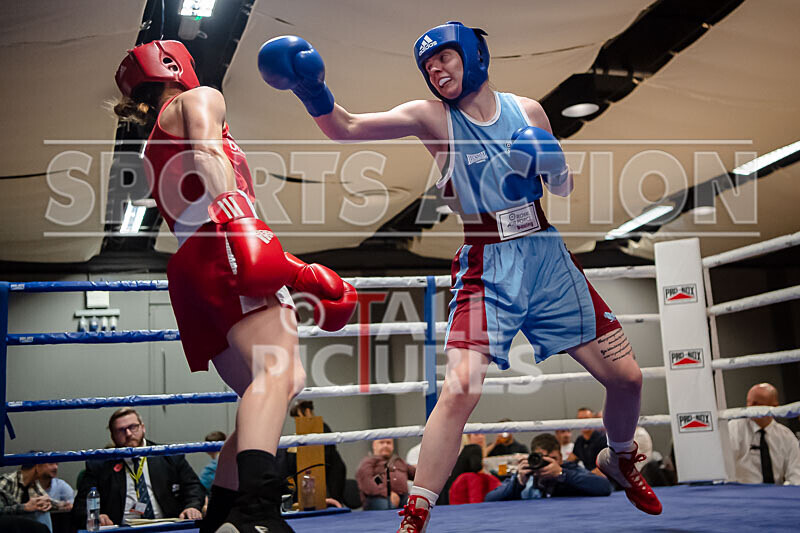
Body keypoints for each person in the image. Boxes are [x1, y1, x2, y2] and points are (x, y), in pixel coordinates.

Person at [258, 21, 662, 530]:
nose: (435, 69)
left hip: (547, 256)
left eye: (444, 58)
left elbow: (562, 185)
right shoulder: (432, 117)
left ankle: (620, 458)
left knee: (627, 378)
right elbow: (347, 128)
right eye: (427, 65)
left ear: (473, 55)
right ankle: (418, 507)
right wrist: (311, 90)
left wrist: (552, 164)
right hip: (487, 260)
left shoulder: (528, 111)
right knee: (460, 389)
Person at [111, 40, 357, 533]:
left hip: (192, 267)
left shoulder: (151, 143)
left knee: (265, 390)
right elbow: (206, 151)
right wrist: (242, 220)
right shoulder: (197, 97)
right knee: (278, 371)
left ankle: (220, 516)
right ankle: (257, 512)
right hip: (224, 241)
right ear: (176, 66)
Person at [72, 408, 205, 527]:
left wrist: (192, 507)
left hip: (166, 525)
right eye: (121, 430)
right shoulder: (99, 465)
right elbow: (80, 507)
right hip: (121, 529)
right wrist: (95, 516)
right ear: (112, 435)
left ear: (143, 427)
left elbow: (193, 486)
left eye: (133, 427)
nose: (129, 433)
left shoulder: (168, 454)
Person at [485, 433, 612, 501]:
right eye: (543, 459)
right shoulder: (527, 472)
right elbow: (490, 499)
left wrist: (562, 474)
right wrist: (518, 483)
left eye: (553, 459)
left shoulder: (568, 469)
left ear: (561, 458)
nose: (548, 464)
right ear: (533, 457)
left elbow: (604, 487)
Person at [728, 383, 800, 485]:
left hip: (776, 494)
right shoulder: (734, 429)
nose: (750, 408)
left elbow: (796, 475)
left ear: (774, 406)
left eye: (756, 403)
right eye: (748, 403)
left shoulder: (786, 436)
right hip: (742, 494)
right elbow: (725, 469)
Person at [289, 400, 347, 505]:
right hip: (319, 472)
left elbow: (325, 455)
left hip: (331, 474)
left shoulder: (322, 428)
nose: (297, 421)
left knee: (332, 504)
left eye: (298, 417)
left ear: (307, 412)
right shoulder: (302, 433)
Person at [355, 439, 415, 510]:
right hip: (378, 498)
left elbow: (416, 475)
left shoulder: (399, 462)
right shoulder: (368, 463)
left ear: (392, 446)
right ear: (374, 446)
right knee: (389, 508)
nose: (385, 445)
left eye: (388, 443)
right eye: (381, 442)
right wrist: (388, 493)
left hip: (403, 496)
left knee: (417, 507)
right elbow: (367, 484)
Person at [0, 462, 53, 532]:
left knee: (44, 512)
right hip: (7, 523)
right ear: (37, 467)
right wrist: (24, 507)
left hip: (20, 521)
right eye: (50, 464)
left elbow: (44, 500)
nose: (55, 467)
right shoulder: (7, 481)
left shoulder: (34, 483)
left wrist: (48, 504)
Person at [573, 407, 607, 475]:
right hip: (589, 477)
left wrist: (585, 476)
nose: (583, 422)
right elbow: (571, 459)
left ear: (593, 420)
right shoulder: (580, 440)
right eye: (580, 419)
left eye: (586, 418)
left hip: (604, 478)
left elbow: (606, 466)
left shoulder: (603, 439)